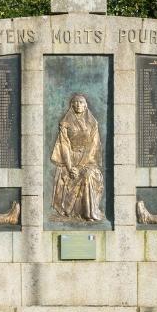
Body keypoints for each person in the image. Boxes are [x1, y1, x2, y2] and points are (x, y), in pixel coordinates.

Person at [50, 94, 104, 222]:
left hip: (87, 160)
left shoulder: (92, 124)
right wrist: (70, 167)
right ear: (72, 105)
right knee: (72, 175)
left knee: (88, 175)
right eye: (75, 102)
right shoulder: (65, 123)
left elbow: (93, 146)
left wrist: (80, 166)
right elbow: (64, 144)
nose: (78, 104)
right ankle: (74, 211)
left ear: (85, 106)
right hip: (69, 159)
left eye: (81, 102)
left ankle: (89, 213)